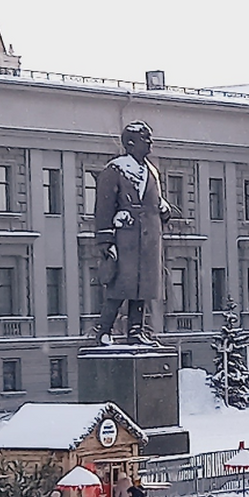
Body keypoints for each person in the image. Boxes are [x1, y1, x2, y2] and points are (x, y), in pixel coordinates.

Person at [87, 120, 174, 347]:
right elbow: (104, 206)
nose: (150, 143)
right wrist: (106, 237)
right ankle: (104, 330)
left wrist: (163, 208)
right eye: (146, 139)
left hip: (149, 237)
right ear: (131, 143)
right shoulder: (115, 169)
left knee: (143, 287)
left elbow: (153, 198)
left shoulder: (151, 170)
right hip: (125, 238)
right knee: (119, 287)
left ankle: (136, 330)